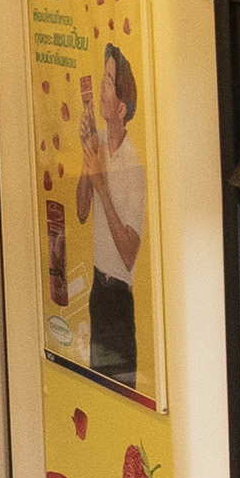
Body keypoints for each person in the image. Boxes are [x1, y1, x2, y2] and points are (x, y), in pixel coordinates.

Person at [78, 45, 145, 381]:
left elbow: (130, 253)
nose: (101, 89)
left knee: (119, 384)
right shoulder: (101, 142)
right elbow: (80, 211)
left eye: (107, 82)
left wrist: (103, 186)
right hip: (97, 290)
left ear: (120, 107)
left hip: (118, 299)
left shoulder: (133, 165)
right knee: (97, 381)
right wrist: (86, 155)